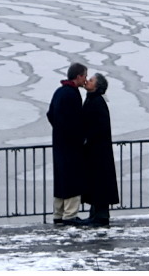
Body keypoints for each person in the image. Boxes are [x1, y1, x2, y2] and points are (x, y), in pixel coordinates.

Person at [46, 62, 88, 226]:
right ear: (78, 76)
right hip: (71, 144)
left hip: (59, 142)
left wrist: (59, 130)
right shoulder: (73, 94)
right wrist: (80, 137)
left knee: (61, 178)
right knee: (73, 178)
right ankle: (70, 215)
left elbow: (50, 114)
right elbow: (76, 121)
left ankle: (58, 213)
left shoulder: (59, 91)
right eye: (84, 75)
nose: (85, 79)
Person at [78, 73, 119, 227]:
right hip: (96, 150)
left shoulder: (96, 102)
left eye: (91, 80)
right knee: (97, 183)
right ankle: (96, 214)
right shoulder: (93, 100)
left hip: (98, 152)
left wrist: (87, 139)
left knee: (99, 182)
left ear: (96, 86)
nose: (87, 81)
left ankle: (100, 216)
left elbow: (97, 127)